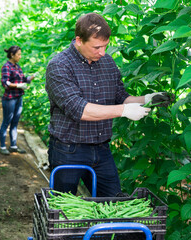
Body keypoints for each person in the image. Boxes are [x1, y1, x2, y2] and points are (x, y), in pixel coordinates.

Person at [45, 13, 173, 197]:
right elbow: (78, 109)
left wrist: (147, 99)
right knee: (64, 212)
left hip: (101, 150)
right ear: (79, 40)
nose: (102, 52)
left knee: (113, 203)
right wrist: (124, 111)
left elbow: (121, 97)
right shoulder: (59, 65)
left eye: (105, 46)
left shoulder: (107, 62)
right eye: (97, 47)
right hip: (69, 150)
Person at [0, 46, 35, 155]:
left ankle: (13, 146)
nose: (20, 56)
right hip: (10, 98)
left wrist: (31, 78)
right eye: (18, 54)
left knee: (15, 122)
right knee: (6, 121)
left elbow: (23, 79)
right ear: (12, 55)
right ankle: (2, 146)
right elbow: (5, 83)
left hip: (18, 97)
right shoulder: (6, 67)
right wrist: (18, 85)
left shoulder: (17, 67)